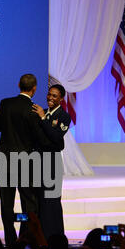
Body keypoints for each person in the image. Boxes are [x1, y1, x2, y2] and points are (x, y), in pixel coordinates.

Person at [0, 74, 53, 247]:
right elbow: (39, 138)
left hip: (5, 159)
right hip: (25, 161)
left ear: (18, 84)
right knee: (29, 203)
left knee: (7, 203)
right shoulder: (34, 109)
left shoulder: (5, 103)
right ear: (34, 88)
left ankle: (11, 241)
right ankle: (24, 239)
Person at [32, 84, 71, 239]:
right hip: (38, 161)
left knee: (52, 201)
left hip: (52, 163)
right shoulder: (42, 112)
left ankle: (54, 237)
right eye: (49, 94)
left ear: (61, 99)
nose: (50, 98)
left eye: (54, 96)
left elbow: (56, 137)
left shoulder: (63, 116)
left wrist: (43, 118)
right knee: (39, 201)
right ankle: (40, 236)